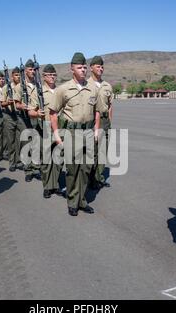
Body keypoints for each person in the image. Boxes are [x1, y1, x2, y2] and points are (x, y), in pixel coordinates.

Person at [49, 52, 107, 216]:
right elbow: (53, 112)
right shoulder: (63, 89)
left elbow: (97, 111)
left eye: (84, 67)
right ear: (72, 69)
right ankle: (73, 202)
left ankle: (82, 200)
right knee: (73, 169)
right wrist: (56, 134)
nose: (83, 70)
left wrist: (96, 129)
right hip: (72, 133)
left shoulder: (93, 89)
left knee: (86, 168)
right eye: (79, 67)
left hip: (88, 132)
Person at [28, 64, 65, 199]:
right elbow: (30, 111)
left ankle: (55, 185)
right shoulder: (39, 92)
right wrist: (37, 113)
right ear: (43, 77)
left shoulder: (61, 90)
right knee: (46, 159)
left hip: (60, 127)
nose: (52, 77)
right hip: (45, 127)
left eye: (54, 75)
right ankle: (47, 186)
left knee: (59, 158)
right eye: (49, 75)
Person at [14, 59, 41, 182]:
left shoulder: (38, 84)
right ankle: (28, 170)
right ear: (25, 71)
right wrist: (23, 106)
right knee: (26, 144)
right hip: (24, 118)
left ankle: (36, 167)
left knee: (36, 143)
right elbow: (16, 104)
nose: (32, 72)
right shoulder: (20, 86)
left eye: (34, 69)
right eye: (30, 69)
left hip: (36, 117)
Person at [88, 56, 113, 189]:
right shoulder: (86, 85)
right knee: (92, 152)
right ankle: (90, 178)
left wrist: (109, 121)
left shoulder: (107, 85)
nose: (101, 69)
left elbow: (110, 105)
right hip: (91, 121)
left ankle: (99, 177)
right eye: (98, 66)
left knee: (103, 151)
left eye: (102, 67)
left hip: (105, 121)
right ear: (91, 67)